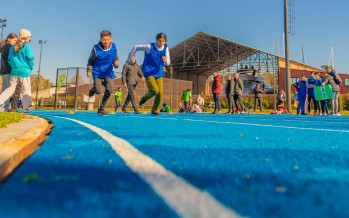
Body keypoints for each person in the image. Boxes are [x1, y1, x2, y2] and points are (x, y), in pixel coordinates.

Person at [128, 32, 170, 116]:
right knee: (155, 90)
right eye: (159, 41)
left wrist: (165, 60)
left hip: (159, 72)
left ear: (165, 41)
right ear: (156, 40)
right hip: (148, 72)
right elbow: (136, 47)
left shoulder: (165, 48)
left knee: (160, 93)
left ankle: (154, 110)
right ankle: (144, 98)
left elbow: (168, 63)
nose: (161, 43)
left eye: (163, 41)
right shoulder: (149, 47)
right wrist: (130, 56)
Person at [0, 29, 34, 114]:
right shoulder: (27, 46)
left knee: (9, 89)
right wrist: (30, 67)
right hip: (24, 71)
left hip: (14, 72)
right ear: (27, 37)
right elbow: (30, 59)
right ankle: (25, 110)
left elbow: (9, 59)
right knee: (26, 90)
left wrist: (14, 67)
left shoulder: (12, 46)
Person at [87, 30, 119, 116]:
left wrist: (116, 62)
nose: (106, 42)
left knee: (109, 91)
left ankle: (101, 109)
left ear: (111, 39)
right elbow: (90, 60)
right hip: (98, 72)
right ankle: (93, 89)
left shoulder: (114, 46)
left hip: (108, 72)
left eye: (108, 39)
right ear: (101, 39)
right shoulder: (96, 48)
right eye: (104, 40)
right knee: (98, 91)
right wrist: (89, 70)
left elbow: (115, 56)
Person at [0, 33, 23, 112]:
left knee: (5, 89)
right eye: (14, 40)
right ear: (9, 39)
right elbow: (11, 60)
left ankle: (3, 108)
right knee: (8, 90)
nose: (15, 42)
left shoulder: (3, 47)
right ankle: (4, 108)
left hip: (3, 71)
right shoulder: (8, 48)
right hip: (8, 71)